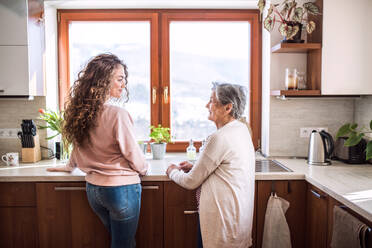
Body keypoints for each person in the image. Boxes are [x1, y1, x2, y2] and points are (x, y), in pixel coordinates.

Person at [48, 53, 148, 248]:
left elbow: (77, 148)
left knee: (119, 241)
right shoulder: (118, 114)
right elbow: (132, 153)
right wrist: (144, 169)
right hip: (121, 190)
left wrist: (69, 166)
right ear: (103, 81)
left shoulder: (80, 113)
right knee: (124, 244)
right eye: (119, 79)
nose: (123, 84)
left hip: (94, 192)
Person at [166, 82, 255, 248]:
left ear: (228, 107)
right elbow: (225, 168)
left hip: (222, 222)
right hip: (236, 218)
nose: (207, 105)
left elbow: (190, 182)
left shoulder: (219, 137)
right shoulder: (241, 130)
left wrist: (172, 171)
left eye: (212, 101)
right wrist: (196, 167)